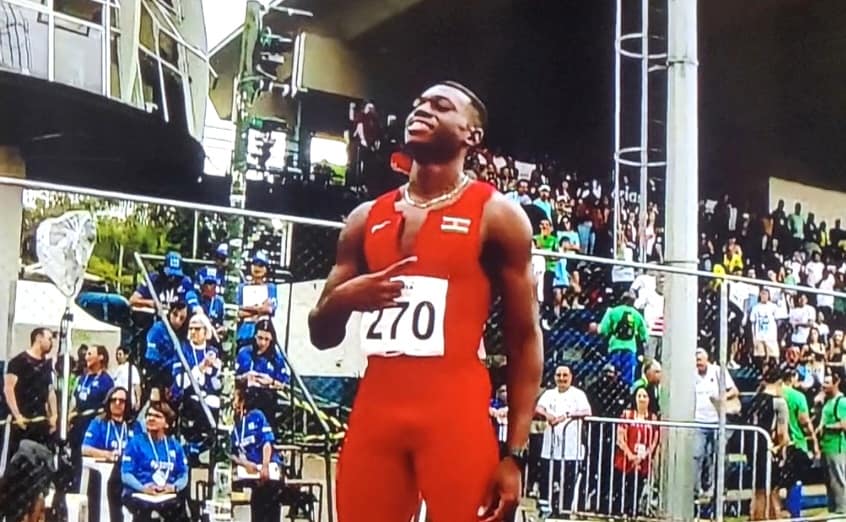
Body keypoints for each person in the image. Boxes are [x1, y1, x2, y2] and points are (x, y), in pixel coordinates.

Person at [308, 81, 543, 522]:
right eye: (417, 104)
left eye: (440, 106)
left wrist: (515, 453)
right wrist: (346, 299)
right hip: (376, 414)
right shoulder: (365, 218)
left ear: (472, 134)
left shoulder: (498, 216)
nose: (421, 111)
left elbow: (524, 339)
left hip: (454, 416)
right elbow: (320, 332)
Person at [121, 402, 189, 522]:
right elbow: (126, 474)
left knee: (179, 509)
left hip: (167, 494)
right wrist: (143, 488)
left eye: (157, 416)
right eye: (149, 415)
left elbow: (183, 474)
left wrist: (173, 487)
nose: (151, 418)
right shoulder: (135, 443)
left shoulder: (175, 445)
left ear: (167, 423)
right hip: (140, 493)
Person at [82, 386, 140, 522]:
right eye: (114, 400)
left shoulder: (134, 425)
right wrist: (106, 454)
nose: (117, 403)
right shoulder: (98, 422)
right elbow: (85, 448)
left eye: (122, 401)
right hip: (105, 471)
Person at [2, 328, 57, 465]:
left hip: (40, 422)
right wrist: (17, 415)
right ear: (39, 338)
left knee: (40, 461)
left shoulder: (47, 365)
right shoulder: (18, 362)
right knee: (18, 461)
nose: (51, 343)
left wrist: (54, 415)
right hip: (22, 422)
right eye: (49, 339)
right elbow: (8, 389)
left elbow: (50, 391)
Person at [230, 385, 283, 522]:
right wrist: (245, 463)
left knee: (269, 489)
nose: (233, 404)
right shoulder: (233, 425)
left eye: (235, 399)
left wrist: (265, 465)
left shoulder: (256, 416)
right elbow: (231, 452)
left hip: (266, 466)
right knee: (257, 500)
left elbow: (267, 442)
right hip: (249, 471)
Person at [235, 319, 290, 433]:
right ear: (255, 336)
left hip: (267, 398)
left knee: (266, 398)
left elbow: (284, 385)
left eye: (266, 339)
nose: (263, 343)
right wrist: (244, 378)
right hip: (245, 396)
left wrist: (271, 382)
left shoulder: (276, 359)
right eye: (260, 338)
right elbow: (233, 377)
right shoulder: (244, 353)